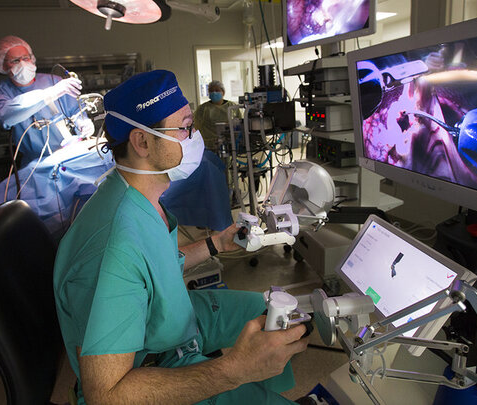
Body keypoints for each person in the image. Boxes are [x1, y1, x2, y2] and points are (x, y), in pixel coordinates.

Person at [54, 70, 309, 404]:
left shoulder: (135, 196)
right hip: (145, 369)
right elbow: (106, 395)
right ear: (142, 142)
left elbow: (152, 268)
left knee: (275, 314)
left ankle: (263, 383)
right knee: (253, 365)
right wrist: (235, 370)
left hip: (167, 321)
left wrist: (215, 244)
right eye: (185, 127)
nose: (194, 137)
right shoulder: (114, 243)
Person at [0, 35, 95, 166]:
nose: (22, 63)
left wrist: (83, 122)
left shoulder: (53, 81)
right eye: (15, 61)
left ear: (32, 59)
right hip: (36, 163)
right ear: (3, 66)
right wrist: (50, 93)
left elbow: (74, 109)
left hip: (70, 153)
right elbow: (7, 115)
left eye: (25, 58)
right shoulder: (0, 91)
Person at [193, 80, 242, 151]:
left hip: (229, 145)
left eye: (217, 90)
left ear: (223, 92)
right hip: (209, 145)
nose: (214, 92)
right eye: (211, 91)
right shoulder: (203, 109)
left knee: (228, 161)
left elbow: (239, 124)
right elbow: (196, 126)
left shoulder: (232, 106)